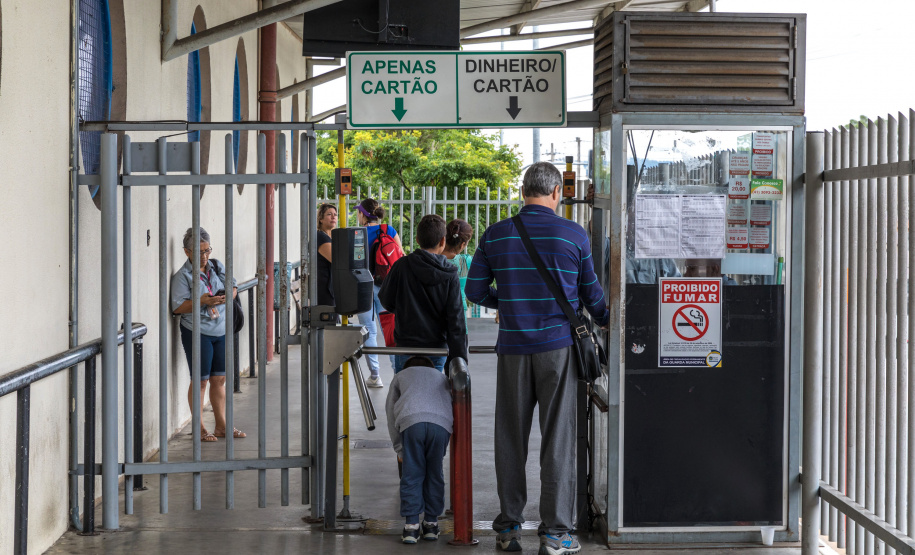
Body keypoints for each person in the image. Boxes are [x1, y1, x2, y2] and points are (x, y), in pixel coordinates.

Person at [465, 162, 609, 555]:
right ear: (556, 193)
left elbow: (474, 291)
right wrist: (614, 322)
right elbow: (593, 297)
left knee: (510, 437)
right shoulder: (574, 234)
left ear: (524, 191)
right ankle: (556, 533)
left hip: (512, 349)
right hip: (558, 350)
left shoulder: (495, 235)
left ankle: (510, 527)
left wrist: (506, 304)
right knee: (558, 440)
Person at [170, 227, 246, 441]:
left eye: (207, 250)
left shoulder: (216, 265)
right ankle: (200, 428)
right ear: (187, 252)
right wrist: (202, 301)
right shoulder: (182, 277)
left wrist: (226, 296)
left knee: (219, 379)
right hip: (198, 331)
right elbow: (177, 308)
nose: (204, 256)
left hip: (220, 329)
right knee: (201, 381)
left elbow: (233, 286)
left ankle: (222, 425)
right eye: (199, 251)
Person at [379, 214, 468, 374]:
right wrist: (459, 360)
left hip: (405, 347)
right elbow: (456, 319)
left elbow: (386, 300)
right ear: (443, 241)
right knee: (433, 393)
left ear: (417, 239)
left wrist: (403, 309)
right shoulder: (449, 273)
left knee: (405, 392)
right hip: (437, 349)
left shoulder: (401, 266)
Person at [385, 355, 453, 544]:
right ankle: (431, 524)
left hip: (411, 422)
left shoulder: (400, 376)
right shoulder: (442, 377)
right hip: (440, 425)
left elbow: (390, 412)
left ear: (406, 368)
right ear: (432, 367)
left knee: (412, 474)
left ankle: (411, 527)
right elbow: (450, 405)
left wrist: (399, 448)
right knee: (434, 474)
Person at [355, 198, 402, 387]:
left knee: (368, 331)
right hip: (386, 288)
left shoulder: (357, 234)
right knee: (389, 330)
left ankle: (375, 375)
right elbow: (399, 258)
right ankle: (397, 373)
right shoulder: (389, 230)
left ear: (363, 214)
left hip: (363, 287)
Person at [443, 219, 474, 320]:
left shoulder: (432, 258)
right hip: (459, 317)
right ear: (462, 245)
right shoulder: (466, 261)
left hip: (434, 319)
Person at [316, 203, 338, 308]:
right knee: (328, 322)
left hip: (331, 285)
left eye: (335, 214)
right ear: (321, 219)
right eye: (329, 214)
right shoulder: (321, 236)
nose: (333, 216)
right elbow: (336, 259)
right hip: (324, 287)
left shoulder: (330, 237)